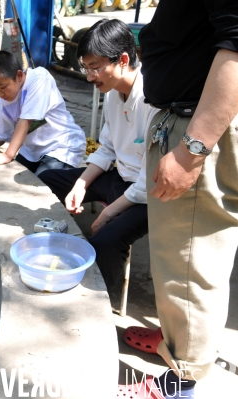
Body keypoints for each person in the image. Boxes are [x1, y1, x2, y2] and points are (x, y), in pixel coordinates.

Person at [119, 1, 238, 398]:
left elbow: (236, 44)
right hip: (186, 121)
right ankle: (176, 342)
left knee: (192, 265)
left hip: (198, 130)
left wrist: (190, 151)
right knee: (179, 262)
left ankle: (179, 383)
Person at [38, 19, 158, 290]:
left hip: (146, 197)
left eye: (95, 67)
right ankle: (52, 234)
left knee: (106, 240)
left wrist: (108, 213)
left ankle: (100, 296)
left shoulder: (152, 99)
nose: (90, 77)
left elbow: (149, 181)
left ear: (123, 60)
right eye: (86, 68)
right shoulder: (114, 93)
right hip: (120, 179)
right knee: (49, 178)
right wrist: (80, 186)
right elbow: (107, 149)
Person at [0, 51, 85, 176]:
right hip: (31, 151)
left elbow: (26, 120)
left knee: (44, 181)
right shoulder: (2, 101)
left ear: (19, 76)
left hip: (62, 146)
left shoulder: (39, 77)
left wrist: (8, 155)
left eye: (3, 87)